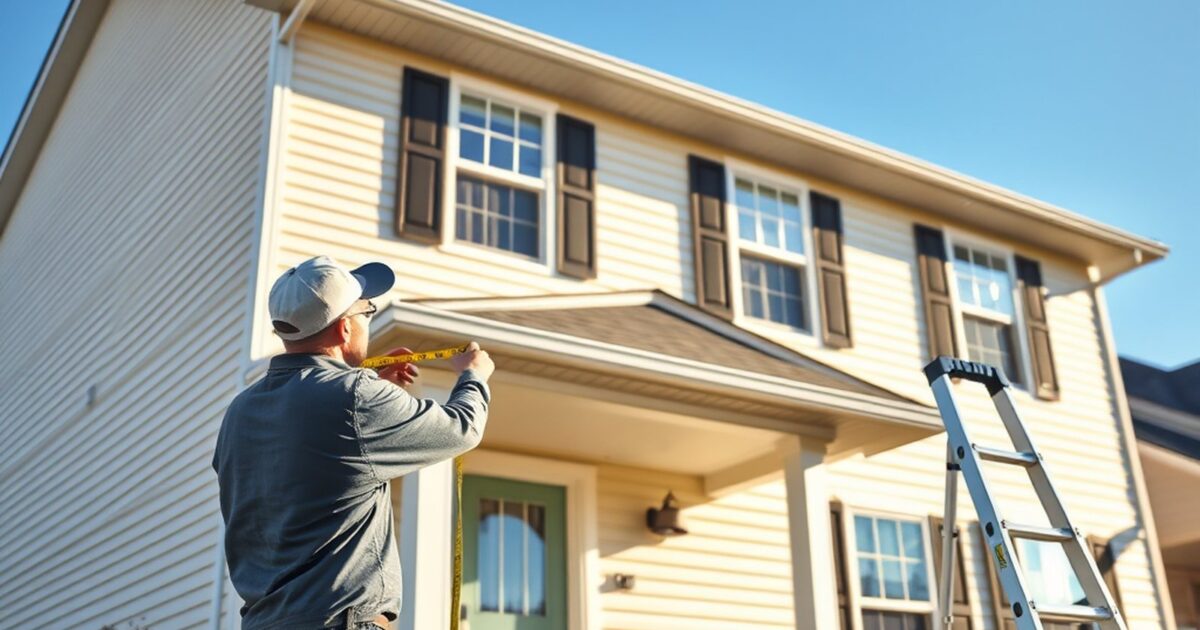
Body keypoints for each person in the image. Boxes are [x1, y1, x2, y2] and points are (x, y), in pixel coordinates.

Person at [212, 255, 494, 629]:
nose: (368, 322)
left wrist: (367, 387)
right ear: (345, 328)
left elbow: (317, 451)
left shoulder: (240, 411)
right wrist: (474, 376)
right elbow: (462, 427)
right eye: (368, 312)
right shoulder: (357, 396)